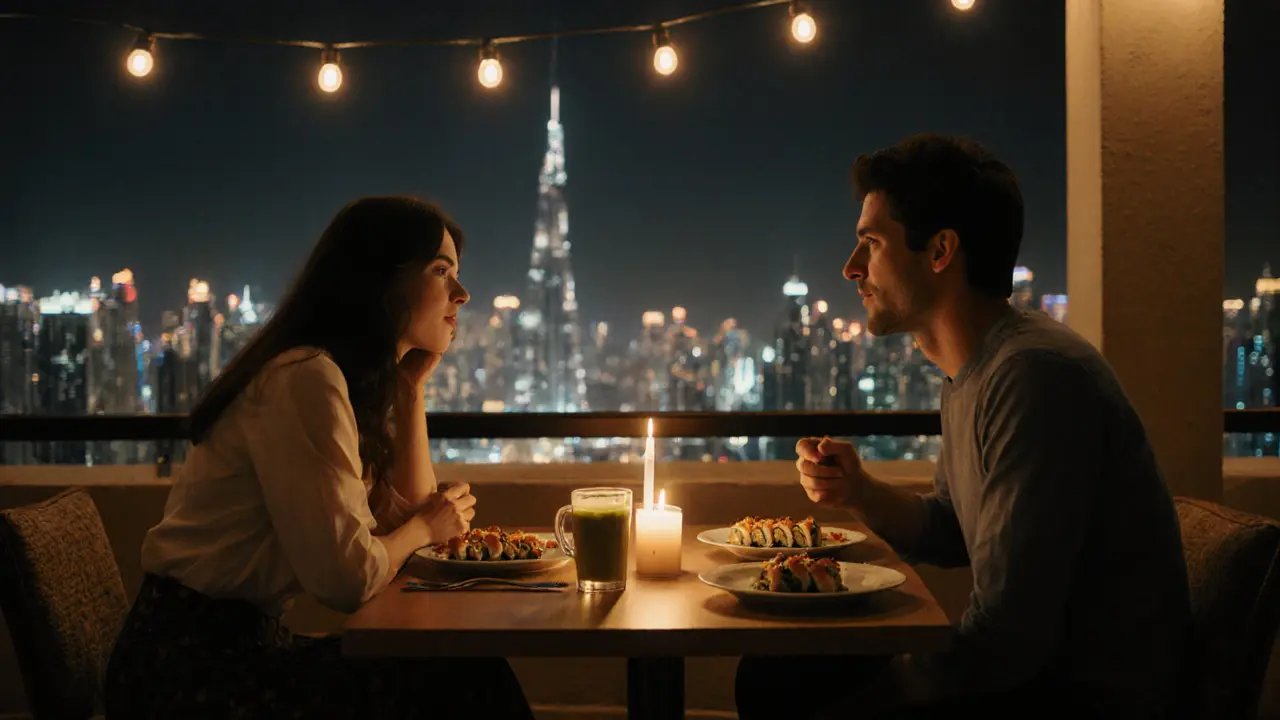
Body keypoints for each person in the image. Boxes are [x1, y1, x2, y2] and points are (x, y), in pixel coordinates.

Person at [735, 135, 1190, 719]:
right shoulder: (970, 374)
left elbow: (1007, 639)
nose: (851, 269)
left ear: (941, 250)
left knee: (787, 686)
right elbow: (952, 529)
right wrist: (859, 492)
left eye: (871, 243)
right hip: (1030, 677)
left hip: (1078, 696)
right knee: (777, 672)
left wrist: (870, 699)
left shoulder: (1033, 376)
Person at [106, 197, 534, 719]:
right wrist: (423, 527)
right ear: (382, 281)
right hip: (189, 673)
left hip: (230, 650)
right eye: (441, 272)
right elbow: (348, 579)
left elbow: (401, 521)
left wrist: (410, 389)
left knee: (463, 669)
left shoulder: (328, 377)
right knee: (464, 677)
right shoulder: (304, 378)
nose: (462, 295)